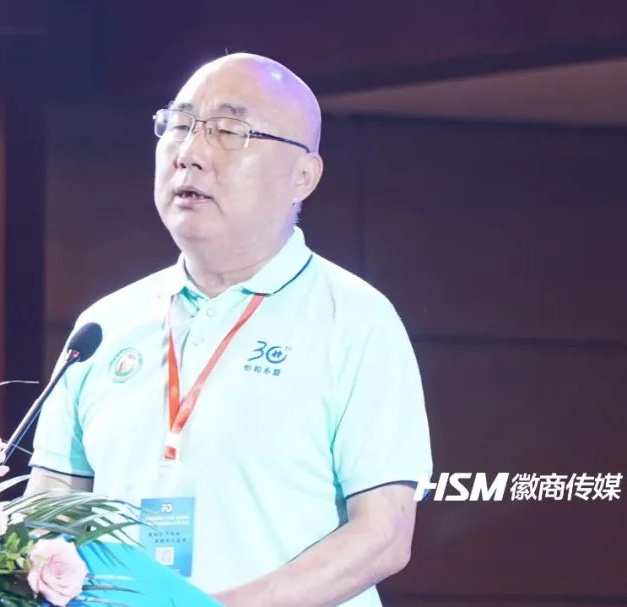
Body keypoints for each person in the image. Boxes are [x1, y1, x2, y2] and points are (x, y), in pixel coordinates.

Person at [26, 53, 433, 607]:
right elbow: (50, 507)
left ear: (303, 176)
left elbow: (383, 534)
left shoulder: (355, 319)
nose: (190, 152)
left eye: (227, 131)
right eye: (178, 125)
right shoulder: (103, 325)